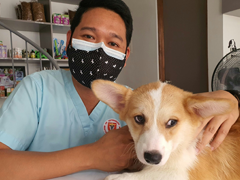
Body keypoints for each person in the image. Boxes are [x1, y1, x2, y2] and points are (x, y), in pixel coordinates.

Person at [0, 0, 238, 179]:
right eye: (89, 36)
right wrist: (92, 155)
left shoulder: (139, 101)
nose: (99, 49)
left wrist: (232, 98)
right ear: (69, 40)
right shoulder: (37, 88)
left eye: (113, 43)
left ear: (125, 56)